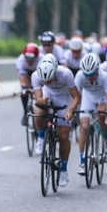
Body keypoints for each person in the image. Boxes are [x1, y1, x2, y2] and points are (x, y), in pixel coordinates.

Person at [31, 54, 81, 187]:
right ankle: (41, 136)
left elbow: (76, 97)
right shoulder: (36, 75)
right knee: (39, 111)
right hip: (48, 94)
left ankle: (63, 169)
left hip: (64, 98)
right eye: (44, 80)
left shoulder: (66, 74)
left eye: (50, 79)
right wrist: (41, 100)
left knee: (63, 136)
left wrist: (70, 111)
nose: (47, 82)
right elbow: (38, 97)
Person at [74, 54, 107, 175]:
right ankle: (82, 161)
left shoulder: (104, 76)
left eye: (92, 75)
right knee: (84, 127)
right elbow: (74, 96)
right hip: (88, 97)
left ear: (97, 71)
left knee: (102, 114)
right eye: (87, 75)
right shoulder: (80, 76)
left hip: (102, 98)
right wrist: (71, 111)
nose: (89, 78)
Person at [16, 42, 43, 126]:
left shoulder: (42, 59)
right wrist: (24, 88)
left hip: (39, 75)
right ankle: (25, 112)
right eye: (27, 58)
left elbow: (43, 78)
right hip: (26, 75)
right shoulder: (20, 60)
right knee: (24, 91)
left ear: (37, 56)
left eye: (32, 59)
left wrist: (36, 88)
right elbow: (22, 78)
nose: (29, 61)